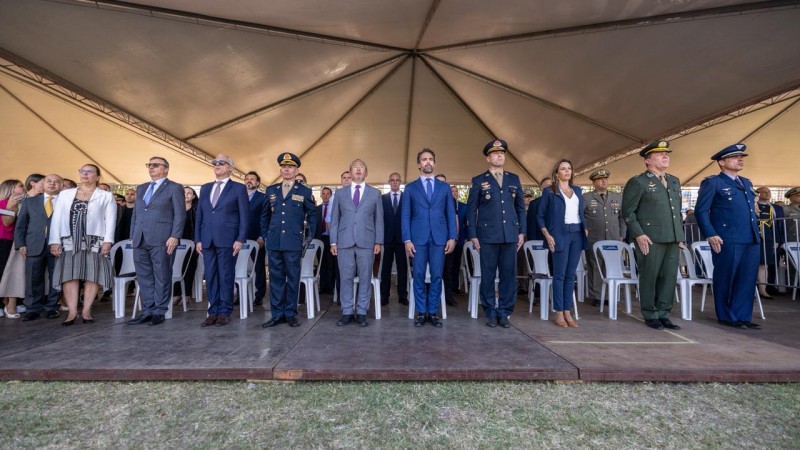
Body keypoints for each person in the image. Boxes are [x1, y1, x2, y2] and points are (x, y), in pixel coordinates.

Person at [694, 144, 761, 329]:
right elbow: (701, 211)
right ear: (722, 162)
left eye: (742, 157)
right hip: (727, 238)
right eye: (735, 157)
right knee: (726, 277)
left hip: (750, 237)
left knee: (747, 279)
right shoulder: (713, 183)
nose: (740, 160)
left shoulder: (746, 182)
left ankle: (742, 317)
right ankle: (726, 316)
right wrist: (711, 233)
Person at [621, 140, 684, 330]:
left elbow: (676, 211)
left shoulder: (674, 180)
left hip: (672, 237)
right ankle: (650, 313)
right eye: (659, 154)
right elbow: (628, 212)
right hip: (650, 238)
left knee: (669, 278)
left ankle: (664, 313)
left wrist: (679, 235)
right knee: (650, 276)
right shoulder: (638, 182)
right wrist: (639, 234)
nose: (665, 156)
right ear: (647, 161)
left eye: (666, 154)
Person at [465, 139, 526, 328]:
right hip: (487, 236)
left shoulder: (513, 179)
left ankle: (505, 312)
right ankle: (490, 311)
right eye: (495, 153)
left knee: (509, 276)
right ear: (488, 158)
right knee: (488, 276)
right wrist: (473, 235)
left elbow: (520, 208)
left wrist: (522, 232)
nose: (500, 156)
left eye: (502, 153)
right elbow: (471, 210)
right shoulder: (479, 180)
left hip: (510, 235)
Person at [49, 164, 117, 325]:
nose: (85, 174)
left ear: (98, 177)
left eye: (89, 171)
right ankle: (72, 312)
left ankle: (86, 310)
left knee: (93, 274)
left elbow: (110, 220)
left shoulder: (106, 196)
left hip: (95, 239)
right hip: (69, 238)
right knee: (69, 274)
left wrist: (108, 241)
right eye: (82, 171)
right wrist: (54, 241)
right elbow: (56, 218)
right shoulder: (65, 194)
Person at [127, 157, 186, 326]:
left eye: (155, 165)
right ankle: (147, 310)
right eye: (149, 165)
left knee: (162, 275)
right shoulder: (142, 188)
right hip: (140, 238)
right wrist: (133, 235)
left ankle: (159, 311)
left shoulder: (174, 187)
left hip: (163, 238)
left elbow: (180, 214)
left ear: (166, 169)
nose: (151, 167)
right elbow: (136, 213)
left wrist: (175, 236)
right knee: (144, 276)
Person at [261, 153, 317, 328]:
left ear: (296, 171)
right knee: (276, 280)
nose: (287, 170)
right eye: (284, 167)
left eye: (290, 167)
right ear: (280, 170)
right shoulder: (271, 190)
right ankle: (277, 314)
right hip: (274, 242)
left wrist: (309, 236)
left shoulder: (304, 191)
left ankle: (291, 313)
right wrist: (266, 235)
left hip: (293, 242)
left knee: (293, 279)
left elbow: (312, 215)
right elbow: (264, 215)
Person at [402, 150, 456, 327]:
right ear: (419, 164)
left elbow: (450, 213)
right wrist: (407, 239)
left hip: (440, 238)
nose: (427, 162)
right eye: (424, 159)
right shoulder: (410, 188)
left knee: (437, 275)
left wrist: (452, 237)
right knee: (418, 275)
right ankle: (421, 312)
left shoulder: (444, 187)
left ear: (434, 163)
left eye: (430, 159)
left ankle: (432, 312)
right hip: (417, 238)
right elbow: (406, 215)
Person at [195, 154, 249, 327]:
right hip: (207, 239)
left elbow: (244, 215)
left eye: (221, 162)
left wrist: (240, 238)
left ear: (231, 168)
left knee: (225, 275)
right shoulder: (205, 188)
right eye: (215, 162)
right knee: (210, 276)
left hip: (228, 239)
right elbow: (199, 215)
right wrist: (197, 239)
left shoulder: (238, 188)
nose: (217, 165)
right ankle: (213, 311)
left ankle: (224, 311)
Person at [330, 159, 382, 327]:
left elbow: (379, 219)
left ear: (366, 172)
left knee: (365, 278)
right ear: (350, 172)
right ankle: (346, 311)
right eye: (355, 168)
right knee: (345, 277)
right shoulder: (340, 193)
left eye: (361, 168)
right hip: (344, 241)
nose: (358, 170)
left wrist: (378, 241)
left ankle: (361, 312)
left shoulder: (375, 193)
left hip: (367, 241)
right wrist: (333, 242)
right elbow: (335, 219)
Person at [537, 159, 587, 327]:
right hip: (559, 234)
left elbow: (580, 212)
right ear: (557, 173)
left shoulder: (577, 190)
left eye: (569, 169)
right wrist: (547, 235)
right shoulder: (550, 191)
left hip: (577, 234)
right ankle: (558, 312)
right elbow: (540, 216)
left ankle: (567, 311)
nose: (567, 171)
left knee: (570, 275)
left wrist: (585, 229)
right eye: (563, 169)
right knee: (559, 275)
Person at [15, 173, 63, 320]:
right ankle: (33, 309)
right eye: (49, 181)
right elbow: (21, 224)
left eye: (56, 182)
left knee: (56, 277)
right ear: (43, 183)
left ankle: (52, 307)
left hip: (59, 246)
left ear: (61, 185)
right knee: (33, 278)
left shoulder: (66, 202)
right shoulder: (30, 201)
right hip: (33, 244)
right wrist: (20, 244)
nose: (52, 184)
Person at [582, 168, 625, 307]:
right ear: (594, 182)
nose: (603, 181)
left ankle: (610, 293)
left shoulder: (617, 197)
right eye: (600, 179)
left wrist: (622, 235)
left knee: (611, 265)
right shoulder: (586, 198)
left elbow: (622, 218)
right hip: (594, 238)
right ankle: (597, 295)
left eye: (605, 179)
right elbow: (581, 217)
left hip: (613, 238)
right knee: (595, 266)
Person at [380, 173, 409, 306]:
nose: (395, 182)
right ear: (389, 182)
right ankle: (384, 296)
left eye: (397, 180)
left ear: (401, 182)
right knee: (385, 268)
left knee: (402, 268)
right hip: (387, 238)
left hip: (403, 239)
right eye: (392, 180)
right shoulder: (382, 199)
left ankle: (402, 296)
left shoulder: (407, 198)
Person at [0, 179, 26, 318]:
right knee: (3, 270)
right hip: (4, 239)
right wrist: (11, 207)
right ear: (11, 188)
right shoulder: (2, 203)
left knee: (14, 271)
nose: (24, 188)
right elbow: (7, 222)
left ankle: (15, 302)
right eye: (20, 186)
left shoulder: (24, 202)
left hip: (17, 240)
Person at [755, 186, 784, 298]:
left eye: (769, 191)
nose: (768, 193)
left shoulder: (773, 208)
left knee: (765, 265)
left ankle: (763, 289)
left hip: (768, 238)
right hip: (754, 237)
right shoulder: (752, 206)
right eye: (764, 192)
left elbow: (775, 225)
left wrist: (777, 240)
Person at [244, 171, 268, 306]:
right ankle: (240, 293)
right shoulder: (238, 196)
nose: (249, 181)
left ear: (257, 183)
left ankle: (259, 294)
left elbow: (265, 218)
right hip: (240, 238)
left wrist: (262, 236)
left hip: (256, 238)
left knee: (259, 267)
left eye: (252, 179)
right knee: (239, 267)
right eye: (247, 179)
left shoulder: (263, 198)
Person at [174, 186, 198, 303]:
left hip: (192, 243)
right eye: (184, 192)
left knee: (189, 268)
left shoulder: (197, 210)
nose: (186, 194)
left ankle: (186, 294)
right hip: (176, 242)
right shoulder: (175, 209)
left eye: (189, 193)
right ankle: (176, 294)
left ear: (193, 196)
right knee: (176, 267)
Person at [314, 187, 336, 294]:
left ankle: (331, 287)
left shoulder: (334, 208)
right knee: (321, 263)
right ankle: (322, 286)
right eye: (323, 193)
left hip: (331, 239)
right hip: (320, 238)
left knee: (331, 264)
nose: (326, 195)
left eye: (328, 194)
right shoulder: (316, 209)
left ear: (331, 195)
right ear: (321, 195)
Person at [526, 178, 552, 242]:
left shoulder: (560, 201)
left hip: (557, 239)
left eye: (551, 186)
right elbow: (531, 225)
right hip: (540, 239)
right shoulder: (534, 204)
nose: (549, 188)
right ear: (541, 188)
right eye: (547, 186)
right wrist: (532, 241)